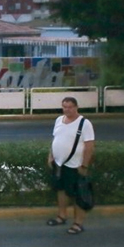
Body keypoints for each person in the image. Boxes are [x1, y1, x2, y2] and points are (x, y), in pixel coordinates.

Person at [46, 97, 96, 235]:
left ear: (76, 107)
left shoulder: (84, 124)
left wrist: (84, 165)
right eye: (64, 107)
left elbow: (89, 146)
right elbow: (55, 139)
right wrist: (51, 156)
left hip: (75, 165)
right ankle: (62, 216)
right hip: (59, 163)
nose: (67, 109)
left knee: (78, 194)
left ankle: (78, 223)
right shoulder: (59, 120)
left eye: (70, 107)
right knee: (60, 189)